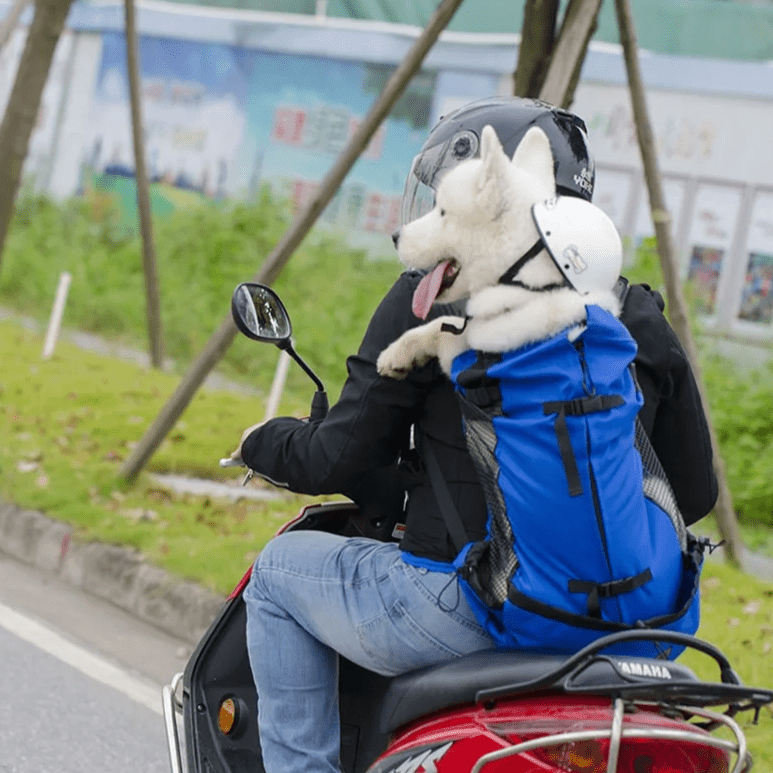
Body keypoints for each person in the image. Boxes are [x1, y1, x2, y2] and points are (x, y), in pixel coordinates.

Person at [232, 97, 718, 773]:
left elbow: (337, 455)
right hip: (636, 628)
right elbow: (692, 492)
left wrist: (262, 442)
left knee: (278, 575)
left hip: (480, 604)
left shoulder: (431, 302)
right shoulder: (632, 314)